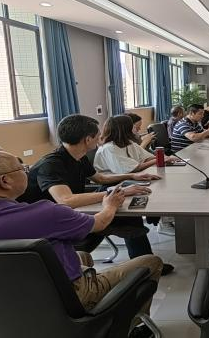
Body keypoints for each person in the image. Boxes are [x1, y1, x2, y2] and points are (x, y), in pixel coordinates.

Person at [0, 146, 165, 336]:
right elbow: (97, 224)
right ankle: (128, 329)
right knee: (150, 262)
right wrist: (110, 205)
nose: (27, 172)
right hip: (56, 300)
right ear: (5, 181)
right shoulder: (44, 214)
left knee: (81, 256)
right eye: (23, 168)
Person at [17, 114, 174, 275]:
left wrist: (133, 176)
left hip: (66, 211)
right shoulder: (51, 164)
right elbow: (66, 200)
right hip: (48, 224)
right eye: (98, 136)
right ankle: (145, 263)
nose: (101, 138)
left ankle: (144, 262)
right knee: (125, 211)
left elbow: (100, 178)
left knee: (124, 205)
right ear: (87, 139)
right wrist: (116, 193)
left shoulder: (78, 156)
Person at [95, 115, 178, 174]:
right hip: (114, 184)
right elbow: (134, 168)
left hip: (132, 177)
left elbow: (146, 158)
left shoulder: (128, 143)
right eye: (133, 127)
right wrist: (160, 159)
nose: (135, 129)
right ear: (125, 130)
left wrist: (166, 158)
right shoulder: (109, 148)